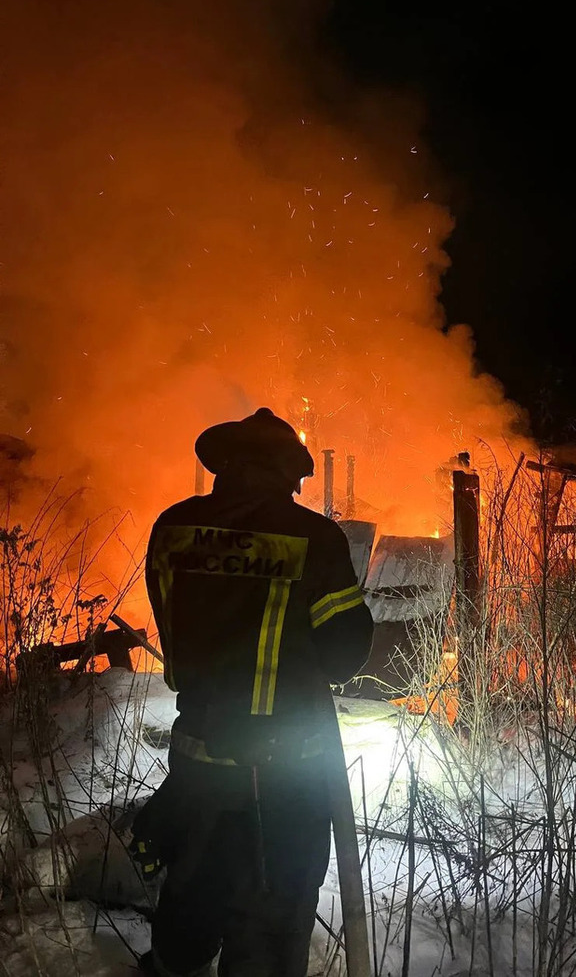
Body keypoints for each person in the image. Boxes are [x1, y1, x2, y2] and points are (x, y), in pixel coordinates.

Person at [134, 408, 374, 977]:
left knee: (190, 900)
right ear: (290, 473)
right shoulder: (312, 537)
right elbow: (345, 654)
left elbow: (173, 625)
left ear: (223, 465)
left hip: (195, 764)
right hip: (284, 780)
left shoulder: (173, 527)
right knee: (271, 921)